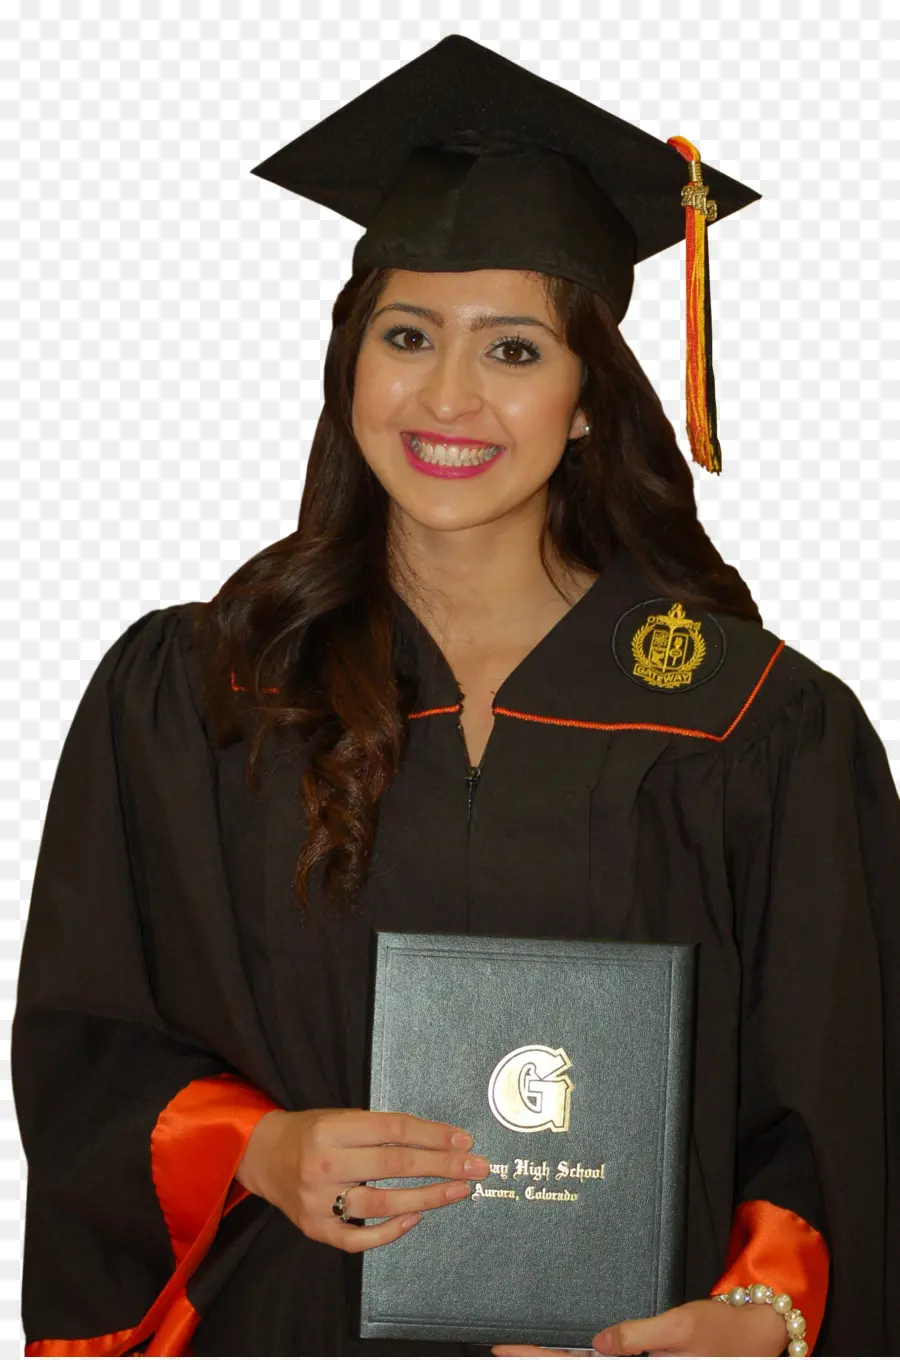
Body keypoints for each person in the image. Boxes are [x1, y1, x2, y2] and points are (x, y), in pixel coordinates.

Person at [11, 33, 899, 1360]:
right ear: (351, 365)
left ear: (591, 399)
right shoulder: (204, 695)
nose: (448, 396)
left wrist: (764, 1317)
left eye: (515, 350)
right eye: (408, 335)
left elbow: (847, 1105)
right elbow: (90, 1045)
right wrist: (257, 1150)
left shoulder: (758, 725)